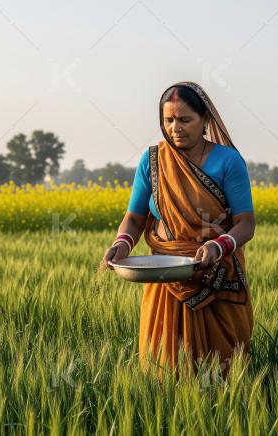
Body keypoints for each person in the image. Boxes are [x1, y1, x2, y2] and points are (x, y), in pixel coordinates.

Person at [101, 81, 256, 381]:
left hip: (217, 277)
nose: (175, 128)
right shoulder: (153, 160)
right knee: (164, 366)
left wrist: (219, 245)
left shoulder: (228, 161)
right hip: (165, 275)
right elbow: (134, 217)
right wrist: (122, 244)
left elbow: (246, 223)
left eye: (185, 120)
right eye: (168, 120)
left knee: (223, 372)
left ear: (205, 121)